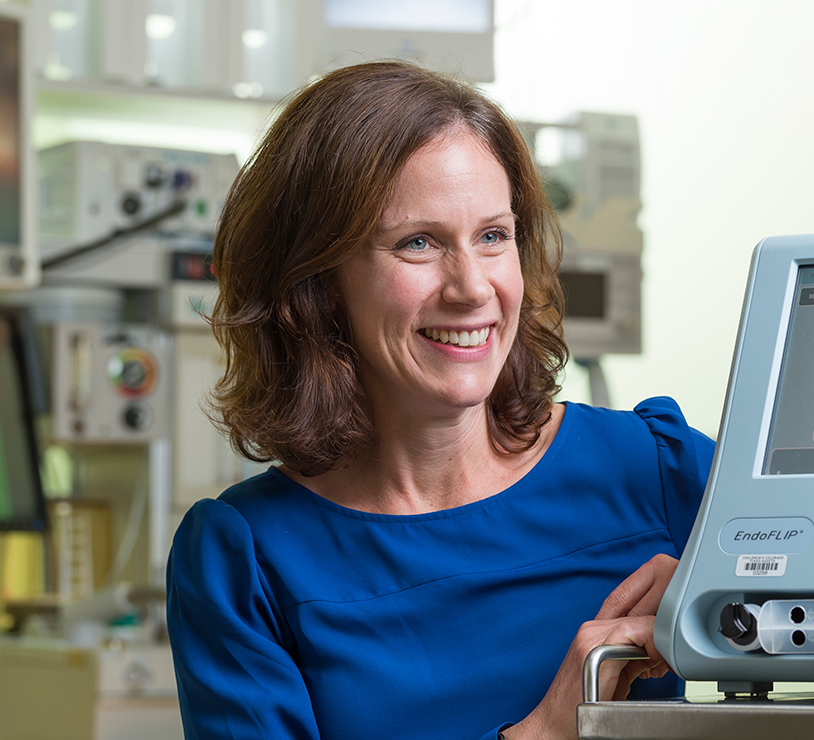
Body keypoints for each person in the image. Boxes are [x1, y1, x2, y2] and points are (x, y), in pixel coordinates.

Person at [166, 61, 713, 740]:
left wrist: (730, 587)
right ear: (316, 285)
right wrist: (547, 728)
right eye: (417, 243)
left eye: (492, 235)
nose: (472, 287)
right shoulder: (246, 560)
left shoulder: (655, 469)